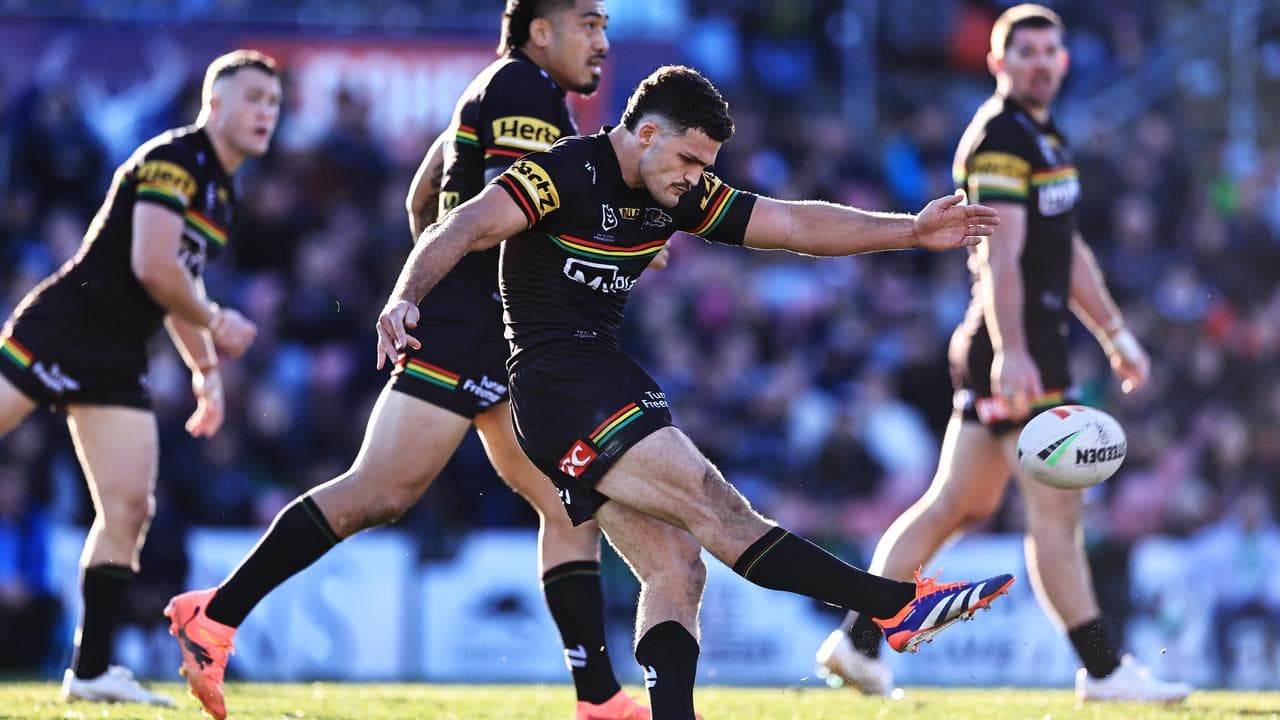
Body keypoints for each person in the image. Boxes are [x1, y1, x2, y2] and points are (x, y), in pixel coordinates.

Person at [367, 64, 1013, 719]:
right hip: (561, 384)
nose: (694, 177)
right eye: (686, 159)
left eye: (704, 165)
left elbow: (791, 226)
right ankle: (895, 605)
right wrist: (405, 297)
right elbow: (464, 225)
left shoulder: (680, 191)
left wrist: (910, 230)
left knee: (677, 568)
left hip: (593, 382)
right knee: (718, 507)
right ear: (644, 133)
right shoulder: (563, 172)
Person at [165, 4, 650, 720]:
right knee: (380, 491)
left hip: (490, 324)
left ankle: (599, 699)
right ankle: (215, 614)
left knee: (563, 500)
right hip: (469, 328)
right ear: (539, 30)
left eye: (606, 27)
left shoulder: (512, 90)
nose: (603, 42)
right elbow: (509, 209)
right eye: (588, 24)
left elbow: (422, 194)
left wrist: (444, 269)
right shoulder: (521, 87)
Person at [813, 5, 1193, 704]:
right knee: (1055, 516)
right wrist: (1014, 354)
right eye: (1027, 53)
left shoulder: (1043, 134)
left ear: (1066, 61)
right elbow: (1001, 255)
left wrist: (1115, 333)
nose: (1042, 63)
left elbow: (1066, 249)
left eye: (1052, 51)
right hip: (1016, 348)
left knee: (956, 504)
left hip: (1018, 343)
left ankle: (858, 642)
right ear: (998, 63)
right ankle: (1104, 671)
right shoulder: (999, 140)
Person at [0, 50, 278, 704]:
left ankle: (91, 670)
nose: (267, 112)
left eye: (273, 102)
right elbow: (155, 266)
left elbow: (178, 281)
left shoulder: (224, 192)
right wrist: (217, 321)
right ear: (214, 105)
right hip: (63, 328)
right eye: (253, 99)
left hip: (116, 354)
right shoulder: (174, 160)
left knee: (129, 508)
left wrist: (205, 369)